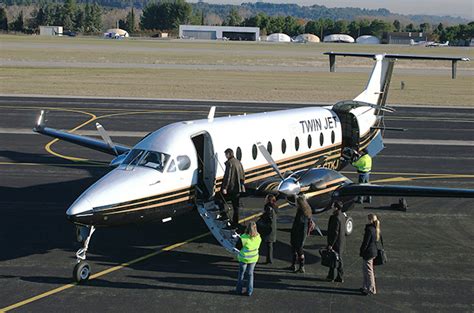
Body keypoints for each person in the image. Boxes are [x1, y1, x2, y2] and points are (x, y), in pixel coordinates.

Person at [219, 148, 245, 227]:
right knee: (236, 206)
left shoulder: (229, 163)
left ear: (229, 154)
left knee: (220, 200)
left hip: (231, 188)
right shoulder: (238, 162)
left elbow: (228, 177)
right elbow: (243, 174)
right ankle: (235, 222)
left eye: (226, 154)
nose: (225, 156)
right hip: (238, 188)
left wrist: (224, 187)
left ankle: (224, 216)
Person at [235, 221, 262, 296]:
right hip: (253, 258)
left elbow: (238, 247)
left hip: (243, 259)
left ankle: (239, 290)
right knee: (250, 274)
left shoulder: (243, 237)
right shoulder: (258, 236)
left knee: (241, 274)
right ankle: (249, 291)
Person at [288, 195, 312, 273]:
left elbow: (300, 226)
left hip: (298, 234)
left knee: (299, 250)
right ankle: (295, 265)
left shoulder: (301, 214)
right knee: (297, 250)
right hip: (299, 234)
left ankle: (301, 266)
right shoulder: (306, 211)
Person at [359, 213, 381, 295]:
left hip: (368, 252)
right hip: (372, 251)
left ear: (370, 220)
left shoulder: (369, 229)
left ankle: (371, 288)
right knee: (366, 269)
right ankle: (365, 286)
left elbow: (366, 243)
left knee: (368, 271)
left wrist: (362, 251)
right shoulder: (375, 228)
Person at [326, 201, 346, 283]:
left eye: (333, 206)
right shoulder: (342, 216)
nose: (331, 207)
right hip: (341, 241)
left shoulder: (335, 217)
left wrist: (331, 244)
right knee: (339, 259)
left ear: (336, 207)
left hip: (336, 242)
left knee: (333, 258)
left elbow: (335, 232)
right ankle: (339, 276)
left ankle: (332, 276)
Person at [260, 194, 278, 264]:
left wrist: (262, 217)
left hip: (268, 227)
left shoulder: (268, 207)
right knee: (270, 245)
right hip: (272, 227)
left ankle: (268, 259)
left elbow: (267, 217)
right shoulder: (275, 207)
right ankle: (269, 259)